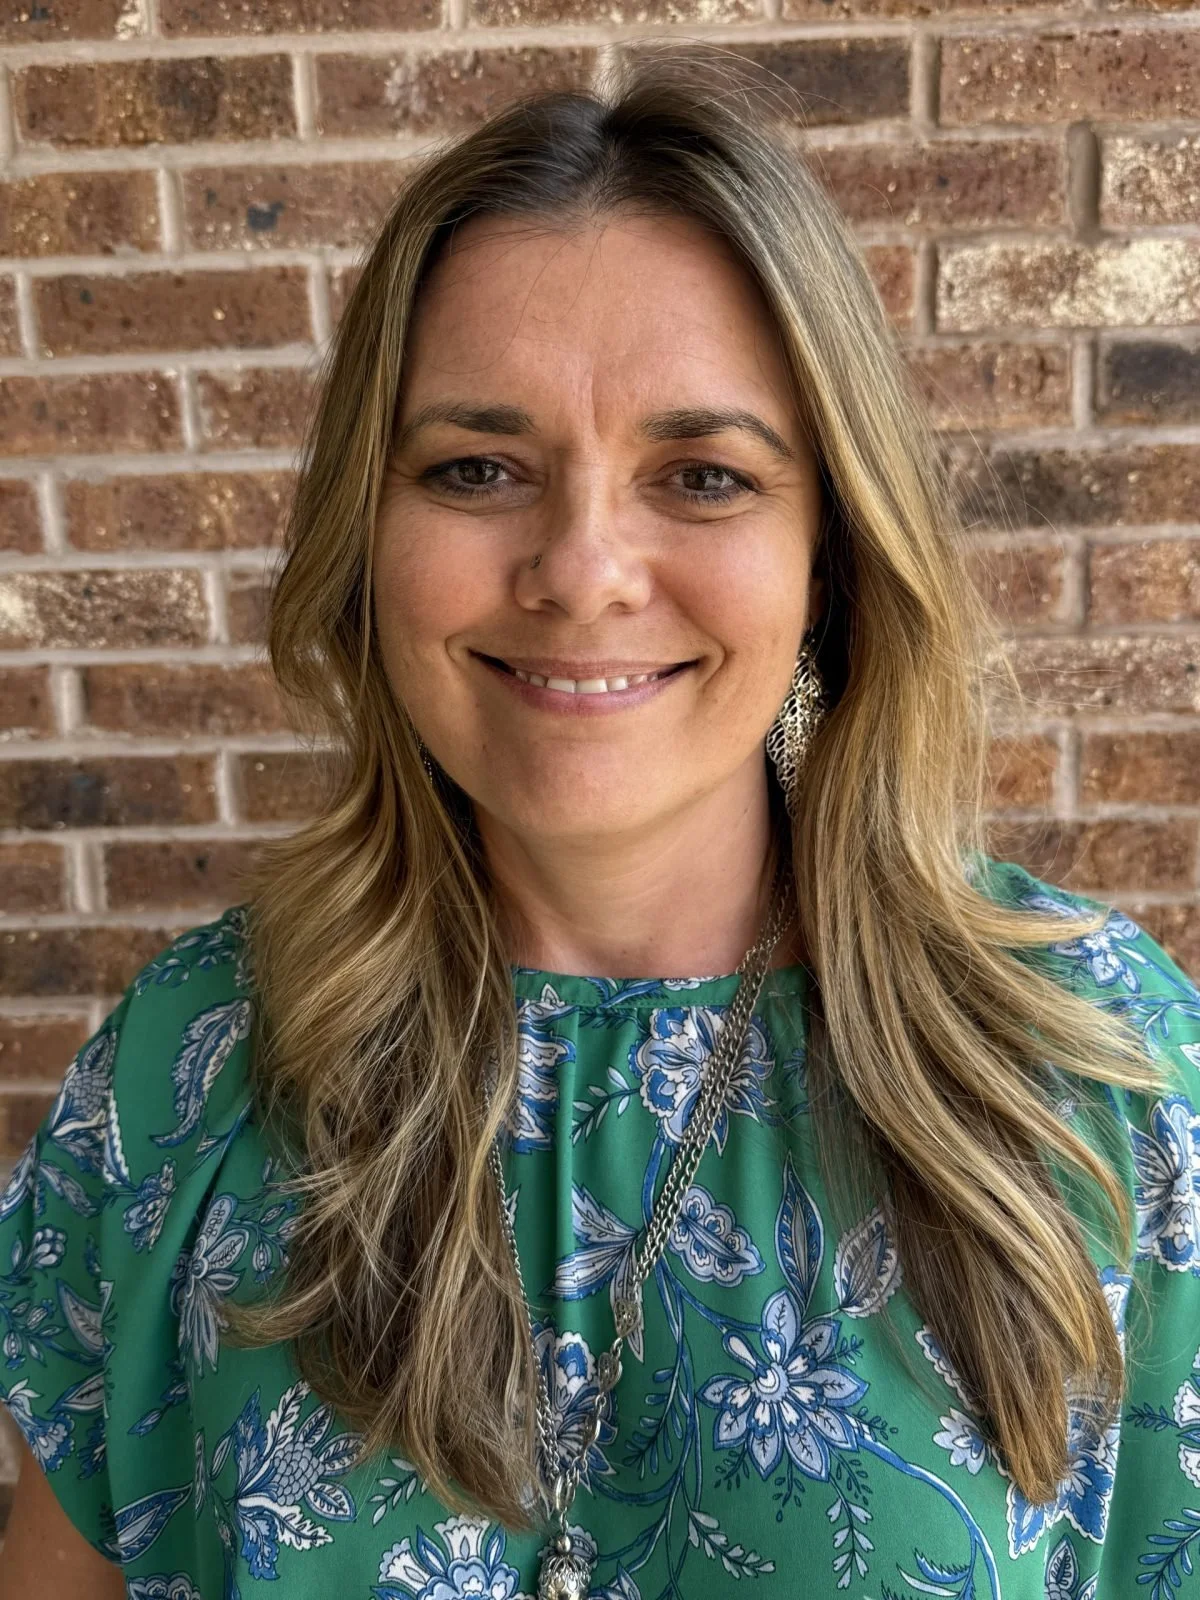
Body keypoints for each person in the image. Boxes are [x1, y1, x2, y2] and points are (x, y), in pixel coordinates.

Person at [3, 43, 1200, 1600]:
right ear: (366, 533)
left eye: (700, 475)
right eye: (478, 467)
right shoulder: (186, 1081)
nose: (581, 570)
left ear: (830, 553)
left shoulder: (1102, 1082)